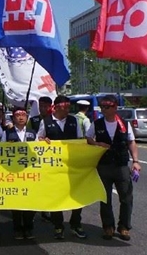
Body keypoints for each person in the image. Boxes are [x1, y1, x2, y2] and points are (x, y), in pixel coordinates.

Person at [86, 94, 140, 241]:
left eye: (107, 106)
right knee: (105, 198)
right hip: (104, 166)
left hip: (121, 165)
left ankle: (124, 227)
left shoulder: (124, 123)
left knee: (126, 197)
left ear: (115, 107)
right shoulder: (96, 124)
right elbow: (88, 138)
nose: (103, 109)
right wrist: (97, 144)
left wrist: (135, 161)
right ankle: (108, 227)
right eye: (102, 106)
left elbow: (131, 142)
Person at [38, 95, 86, 240]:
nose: (67, 110)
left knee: (77, 194)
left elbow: (79, 140)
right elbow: (38, 139)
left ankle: (76, 224)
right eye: (65, 107)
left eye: (68, 108)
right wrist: (42, 140)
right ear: (57, 107)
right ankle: (58, 226)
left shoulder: (74, 121)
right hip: (54, 166)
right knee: (56, 196)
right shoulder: (46, 121)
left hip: (71, 165)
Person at [2, 107, 37, 240]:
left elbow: (39, 150)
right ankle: (17, 228)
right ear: (13, 118)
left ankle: (28, 228)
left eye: (23, 115)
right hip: (13, 173)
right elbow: (0, 150)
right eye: (18, 115)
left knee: (30, 202)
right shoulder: (7, 133)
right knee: (16, 202)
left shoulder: (33, 133)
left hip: (29, 173)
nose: (21, 117)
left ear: (27, 117)